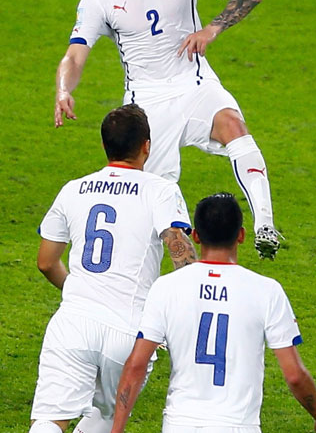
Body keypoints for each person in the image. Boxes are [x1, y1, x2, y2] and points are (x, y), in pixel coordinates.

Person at [54, 0, 281, 259]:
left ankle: (265, 225)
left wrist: (213, 27)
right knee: (162, 206)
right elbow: (75, 54)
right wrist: (64, 89)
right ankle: (187, 278)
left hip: (195, 83)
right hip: (147, 105)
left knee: (235, 127)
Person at [30, 104, 197, 433]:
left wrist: (78, 289)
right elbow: (179, 250)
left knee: (49, 420)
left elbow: (46, 261)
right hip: (129, 332)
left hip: (74, 323)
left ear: (105, 144)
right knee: (106, 418)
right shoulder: (160, 190)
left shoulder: (73, 189)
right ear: (147, 146)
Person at [110, 193, 316, 433]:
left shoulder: (166, 287)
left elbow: (136, 365)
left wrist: (116, 430)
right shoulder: (267, 290)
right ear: (241, 235)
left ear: (195, 236)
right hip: (238, 426)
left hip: (180, 425)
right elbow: (294, 375)